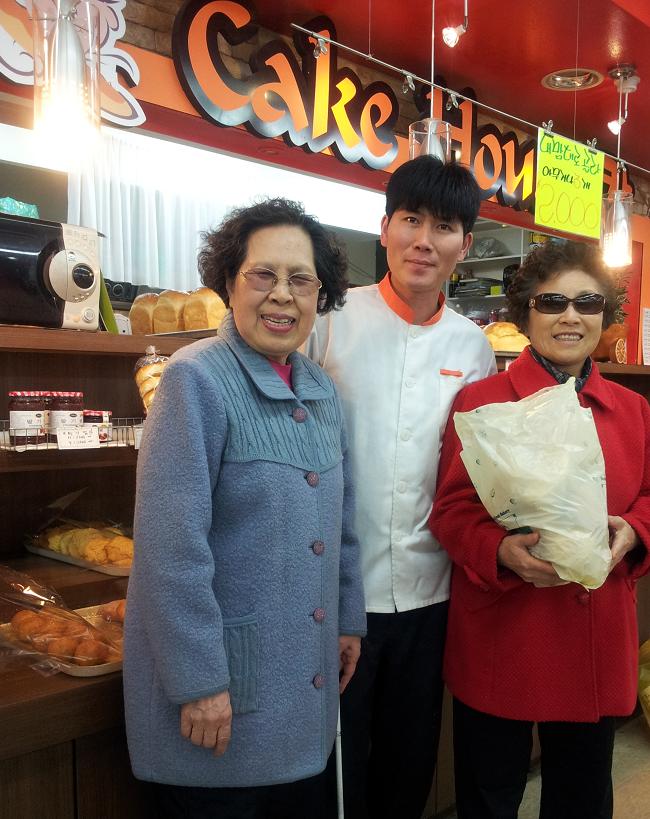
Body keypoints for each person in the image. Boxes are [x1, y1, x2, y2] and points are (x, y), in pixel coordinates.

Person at [123, 197, 366, 819]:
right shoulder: (194, 380)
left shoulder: (320, 390)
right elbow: (169, 552)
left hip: (303, 690)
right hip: (222, 694)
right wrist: (198, 682)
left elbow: (340, 527)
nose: (282, 296)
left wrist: (348, 620)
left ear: (322, 295)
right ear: (230, 281)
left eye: (301, 280)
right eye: (263, 275)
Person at [430, 240, 650, 819]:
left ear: (606, 316)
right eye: (553, 302)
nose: (571, 316)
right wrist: (499, 549)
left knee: (581, 796)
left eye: (588, 302)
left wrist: (634, 529)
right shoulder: (481, 403)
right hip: (506, 628)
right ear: (526, 311)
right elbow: (452, 511)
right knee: (489, 793)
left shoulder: (633, 411)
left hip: (595, 632)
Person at [306, 155, 496, 819]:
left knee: (407, 768)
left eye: (442, 226)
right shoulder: (329, 319)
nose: (423, 239)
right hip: (335, 595)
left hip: (431, 595)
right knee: (333, 774)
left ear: (464, 246)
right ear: (383, 227)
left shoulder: (473, 347)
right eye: (410, 219)